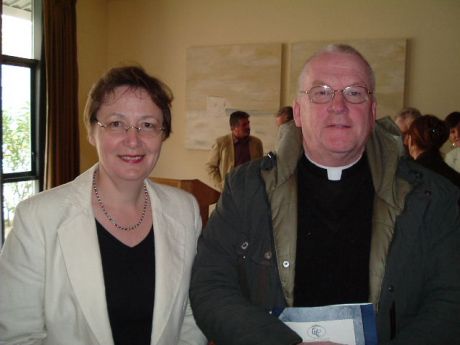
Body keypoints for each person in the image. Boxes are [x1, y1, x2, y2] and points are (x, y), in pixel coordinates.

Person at [190, 44, 460, 345]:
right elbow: (210, 285)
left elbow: (451, 298)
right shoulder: (246, 188)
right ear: (299, 112)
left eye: (355, 92)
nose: (338, 105)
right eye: (321, 92)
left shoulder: (431, 197)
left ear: (372, 112)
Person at [0, 66, 207, 345]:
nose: (133, 140)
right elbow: (17, 336)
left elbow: (190, 318)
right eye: (116, 123)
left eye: (147, 125)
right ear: (91, 132)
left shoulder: (185, 210)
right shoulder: (37, 218)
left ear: (163, 135)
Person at [206, 110, 263, 190]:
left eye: (248, 123)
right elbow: (210, 166)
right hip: (230, 190)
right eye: (244, 125)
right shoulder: (221, 143)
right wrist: (221, 185)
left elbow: (260, 166)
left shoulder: (256, 143)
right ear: (233, 128)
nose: (248, 127)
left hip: (251, 190)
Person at [406, 114, 460, 187]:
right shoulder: (454, 176)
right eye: (452, 131)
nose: (457, 135)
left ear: (411, 141)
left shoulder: (408, 177)